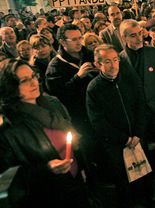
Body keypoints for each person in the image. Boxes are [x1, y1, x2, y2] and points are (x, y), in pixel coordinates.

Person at [0, 59, 92, 208]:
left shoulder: (49, 104)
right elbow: (8, 176)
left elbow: (71, 142)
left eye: (33, 76)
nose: (33, 82)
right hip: (49, 195)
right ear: (9, 86)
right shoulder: (9, 126)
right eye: (24, 80)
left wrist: (80, 168)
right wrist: (46, 169)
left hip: (74, 183)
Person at [86, 45, 155, 208]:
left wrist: (138, 133)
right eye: (107, 61)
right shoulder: (94, 88)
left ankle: (145, 198)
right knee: (122, 178)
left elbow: (141, 106)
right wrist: (124, 139)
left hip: (137, 137)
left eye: (115, 60)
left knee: (143, 171)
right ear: (97, 65)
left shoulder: (129, 79)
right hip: (116, 144)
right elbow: (97, 121)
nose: (113, 65)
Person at [119, 19, 155, 178]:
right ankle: (150, 178)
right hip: (137, 114)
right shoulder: (120, 59)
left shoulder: (154, 53)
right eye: (133, 35)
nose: (139, 38)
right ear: (124, 38)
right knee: (143, 147)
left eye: (140, 34)